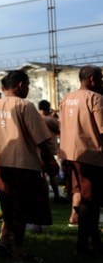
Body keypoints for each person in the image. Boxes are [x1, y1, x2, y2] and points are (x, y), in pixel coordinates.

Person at [0, 70, 57, 262]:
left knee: (8, 204)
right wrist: (50, 160)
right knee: (21, 208)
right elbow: (39, 137)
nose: (29, 89)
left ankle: (5, 238)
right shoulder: (24, 104)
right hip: (21, 163)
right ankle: (19, 251)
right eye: (29, 85)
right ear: (21, 85)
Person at [58, 65, 103, 258]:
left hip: (70, 155)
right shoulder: (96, 98)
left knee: (88, 199)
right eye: (100, 78)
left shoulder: (67, 98)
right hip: (89, 155)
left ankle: (95, 242)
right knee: (89, 201)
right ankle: (81, 247)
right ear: (92, 79)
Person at [37, 99, 67, 204]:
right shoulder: (48, 120)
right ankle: (50, 197)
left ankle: (55, 196)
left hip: (37, 150)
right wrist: (54, 116)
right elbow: (62, 127)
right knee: (49, 174)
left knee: (49, 174)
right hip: (48, 151)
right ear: (47, 109)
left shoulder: (35, 118)